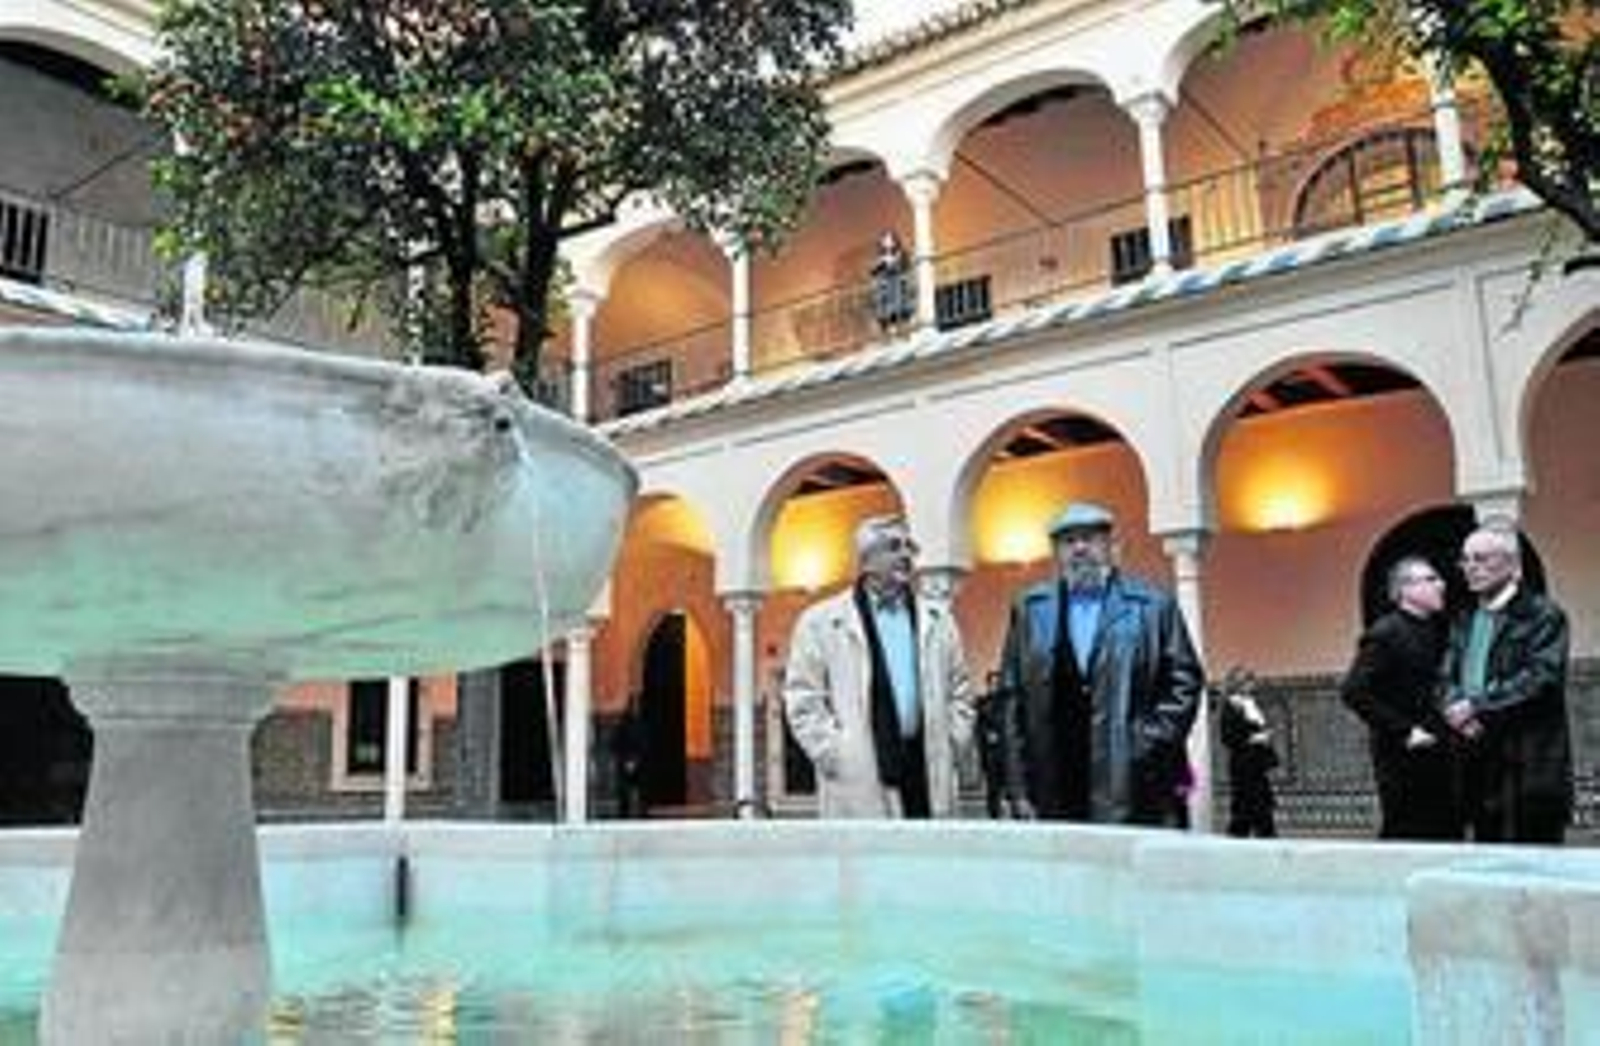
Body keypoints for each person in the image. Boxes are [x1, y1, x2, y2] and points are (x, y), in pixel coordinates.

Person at [996, 501, 1204, 825]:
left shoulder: (1152, 606)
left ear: (1112, 547)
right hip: (1055, 779)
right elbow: (1011, 699)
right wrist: (1018, 788)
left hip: (1132, 780)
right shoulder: (1030, 610)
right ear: (1056, 553)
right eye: (1068, 541)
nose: (1079, 548)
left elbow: (1185, 681)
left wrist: (1145, 743)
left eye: (1090, 538)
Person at [782, 515, 977, 818]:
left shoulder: (939, 621)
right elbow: (803, 700)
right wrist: (836, 754)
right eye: (894, 547)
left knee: (926, 859)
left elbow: (961, 690)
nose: (905, 556)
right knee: (870, 861)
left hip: (925, 766)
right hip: (860, 773)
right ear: (866, 561)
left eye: (909, 547)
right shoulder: (820, 622)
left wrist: (951, 743)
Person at [1440, 519, 1573, 844]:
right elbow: (1445, 676)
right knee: (1486, 862)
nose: (1471, 568)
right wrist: (1453, 708)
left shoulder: (1543, 615)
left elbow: (1541, 679)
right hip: (1476, 760)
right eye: (1466, 560)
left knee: (1533, 867)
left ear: (1513, 566)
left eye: (1482, 559)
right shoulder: (1463, 619)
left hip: (1527, 764)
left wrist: (1476, 707)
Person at [1339, 555, 1460, 840]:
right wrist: (1405, 731)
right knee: (1410, 834)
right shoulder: (1386, 633)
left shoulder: (1433, 628)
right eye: (1431, 579)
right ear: (1405, 589)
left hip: (1435, 751)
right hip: (1405, 759)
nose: (1441, 585)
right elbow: (1354, 690)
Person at [1217, 666, 1278, 838]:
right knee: (1248, 810)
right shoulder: (1231, 705)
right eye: (1248, 682)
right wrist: (1255, 739)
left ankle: (1264, 840)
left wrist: (1263, 736)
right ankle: (1263, 841)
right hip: (1243, 765)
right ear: (1239, 683)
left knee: (1257, 808)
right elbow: (1228, 737)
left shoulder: (1249, 703)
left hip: (1255, 764)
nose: (1252, 686)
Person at [870, 231, 912, 331]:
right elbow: (873, 272)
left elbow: (904, 267)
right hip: (885, 289)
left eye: (889, 239)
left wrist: (892, 263)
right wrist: (881, 265)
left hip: (897, 287)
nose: (887, 242)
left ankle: (902, 328)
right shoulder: (880, 258)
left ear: (894, 241)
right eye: (885, 240)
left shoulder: (900, 254)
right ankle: (890, 329)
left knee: (899, 310)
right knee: (886, 312)